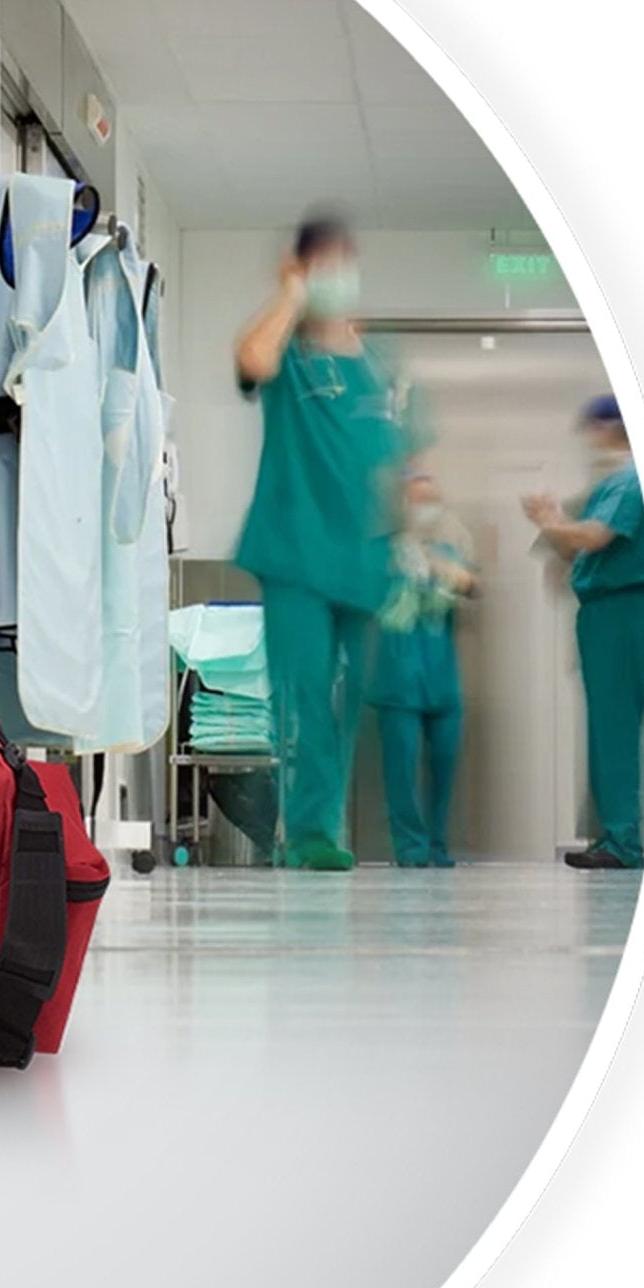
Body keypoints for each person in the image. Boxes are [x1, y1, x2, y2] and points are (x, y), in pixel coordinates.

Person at [233, 216, 416, 870]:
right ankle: (309, 833)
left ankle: (320, 823)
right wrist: (289, 296)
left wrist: (411, 541)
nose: (341, 274)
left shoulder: (376, 364)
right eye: (326, 264)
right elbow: (250, 359)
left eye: (348, 260)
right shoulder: (285, 353)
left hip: (364, 563)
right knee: (305, 694)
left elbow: (399, 462)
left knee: (348, 705)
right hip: (296, 557)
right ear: (302, 270)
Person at [522, 394, 644, 869]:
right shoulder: (620, 481)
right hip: (616, 609)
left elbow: (595, 537)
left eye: (593, 430)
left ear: (609, 428)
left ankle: (622, 842)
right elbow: (581, 548)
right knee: (614, 727)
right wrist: (560, 531)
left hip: (621, 610)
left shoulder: (632, 477)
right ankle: (615, 837)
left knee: (615, 727)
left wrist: (549, 520)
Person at [370, 471, 477, 867]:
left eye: (432, 499)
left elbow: (470, 584)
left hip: (443, 682)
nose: (425, 507)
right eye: (417, 499)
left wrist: (439, 565)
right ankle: (411, 848)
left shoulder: (449, 552)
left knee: (445, 766)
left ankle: (438, 845)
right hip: (397, 680)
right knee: (401, 772)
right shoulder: (381, 552)